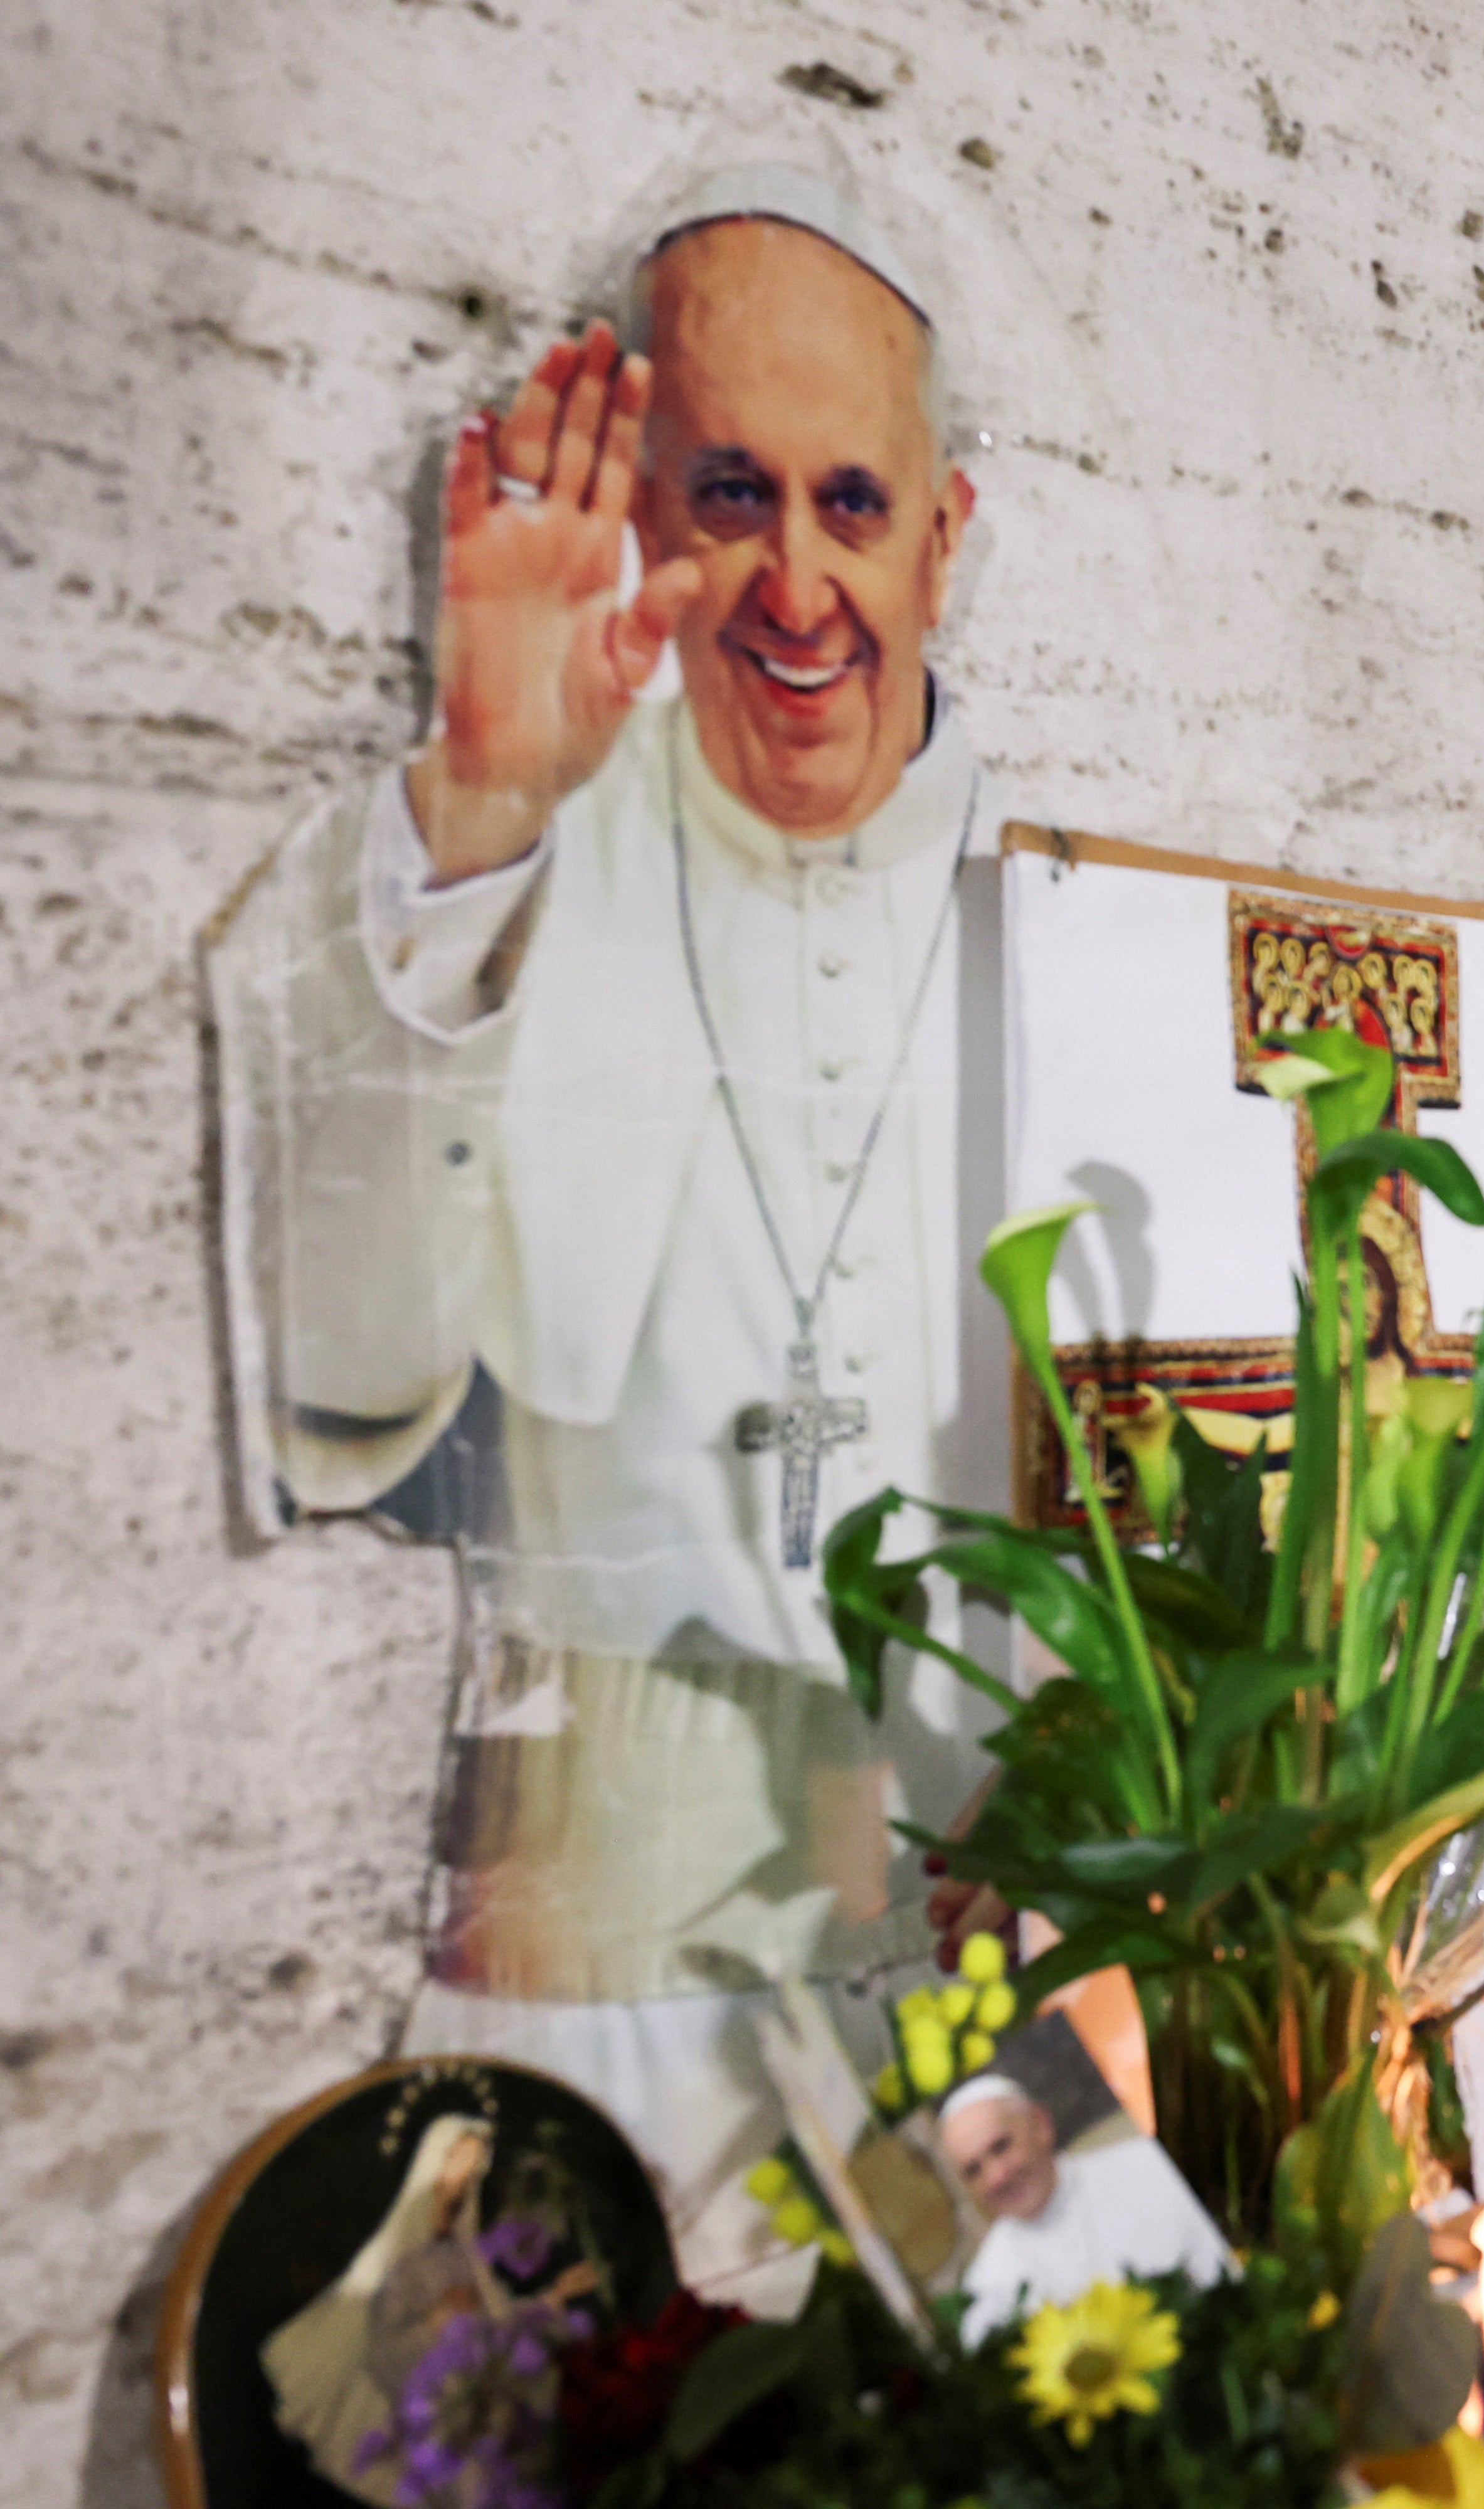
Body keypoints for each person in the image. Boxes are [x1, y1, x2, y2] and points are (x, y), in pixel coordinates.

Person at [213, 167, 1005, 2301]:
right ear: (644, 506)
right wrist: (482, 801)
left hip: (980, 1991)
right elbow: (342, 1398)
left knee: (1083, 2404)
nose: (797, 583)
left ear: (942, 538)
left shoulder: (1060, 905)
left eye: (854, 505)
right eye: (730, 495)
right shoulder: (517, 827)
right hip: (591, 2021)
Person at [259, 2118, 506, 2505]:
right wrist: (435, 2316)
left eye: (474, 2163)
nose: (467, 2170)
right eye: (460, 2157)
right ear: (438, 2157)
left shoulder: (462, 2228)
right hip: (399, 2350)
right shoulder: (410, 2219)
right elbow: (386, 2291)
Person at [938, 2077, 1232, 2340]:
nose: (997, 2177)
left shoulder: (1151, 2165)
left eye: (1001, 2147)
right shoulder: (984, 2288)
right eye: (974, 2171)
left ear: (1040, 2124)